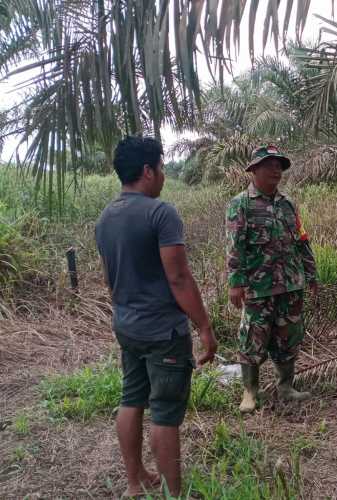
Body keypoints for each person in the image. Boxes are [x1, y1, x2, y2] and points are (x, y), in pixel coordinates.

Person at [95, 136, 217, 497]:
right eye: (161, 167)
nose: (163, 175)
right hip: (162, 331)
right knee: (164, 412)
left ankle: (135, 483)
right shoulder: (160, 213)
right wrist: (205, 326)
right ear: (147, 171)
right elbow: (178, 277)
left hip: (127, 326)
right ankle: (172, 494)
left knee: (131, 399)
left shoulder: (106, 218)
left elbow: (108, 279)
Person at [225, 144, 318, 413]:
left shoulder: (288, 204)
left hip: (290, 284)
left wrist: (310, 274)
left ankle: (286, 387)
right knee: (252, 339)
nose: (276, 170)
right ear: (254, 170)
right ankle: (250, 392)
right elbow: (235, 247)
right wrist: (236, 282)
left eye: (279, 165)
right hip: (257, 288)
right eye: (269, 165)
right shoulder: (240, 204)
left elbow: (302, 241)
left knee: (288, 337)